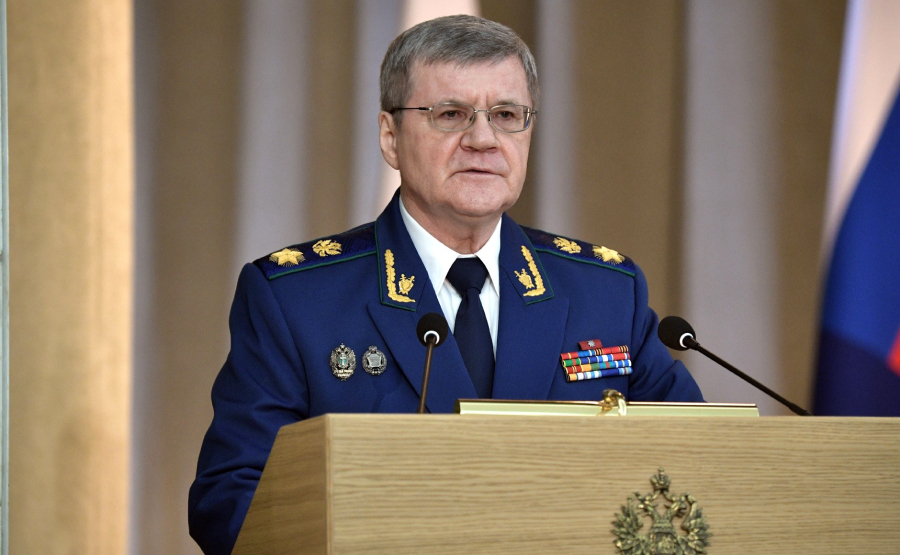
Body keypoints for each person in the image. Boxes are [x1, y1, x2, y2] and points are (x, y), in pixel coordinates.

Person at [188, 14, 703, 554]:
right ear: (390, 137)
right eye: (451, 114)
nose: (483, 139)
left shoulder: (607, 291)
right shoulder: (295, 298)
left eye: (506, 115)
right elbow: (233, 498)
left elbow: (697, 464)